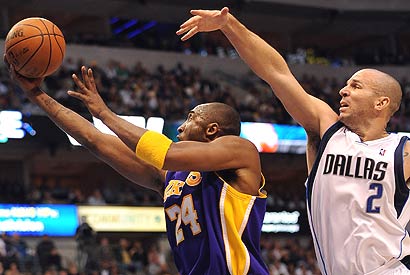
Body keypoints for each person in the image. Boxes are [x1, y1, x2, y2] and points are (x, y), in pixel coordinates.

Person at [176, 7, 410, 275]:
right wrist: (229, 25)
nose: (343, 90)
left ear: (381, 102)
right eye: (346, 84)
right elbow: (277, 73)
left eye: (356, 86)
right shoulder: (327, 130)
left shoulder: (403, 151)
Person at [6, 62, 269, 274]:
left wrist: (105, 114)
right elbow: (93, 140)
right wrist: (35, 95)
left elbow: (166, 153)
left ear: (212, 130)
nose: (180, 127)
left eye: (191, 119)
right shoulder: (171, 177)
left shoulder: (240, 150)